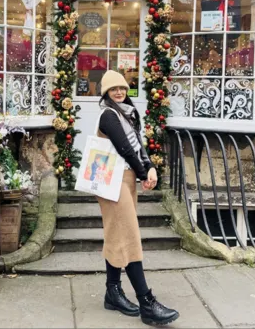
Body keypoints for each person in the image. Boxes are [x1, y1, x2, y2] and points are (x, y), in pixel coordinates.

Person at [97, 70, 179, 326]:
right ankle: (147, 302)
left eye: (122, 88)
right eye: (113, 90)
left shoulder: (128, 114)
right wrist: (145, 172)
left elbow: (138, 146)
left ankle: (112, 291)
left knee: (116, 234)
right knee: (129, 236)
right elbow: (124, 147)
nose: (119, 92)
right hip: (112, 180)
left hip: (126, 179)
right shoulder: (108, 115)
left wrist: (149, 167)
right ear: (106, 94)